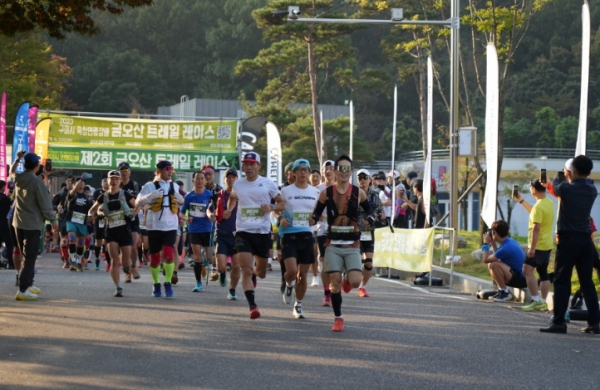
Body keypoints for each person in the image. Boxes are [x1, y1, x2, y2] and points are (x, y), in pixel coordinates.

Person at [310, 155, 375, 332]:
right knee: (334, 281)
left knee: (354, 282)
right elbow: (317, 212)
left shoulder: (357, 192)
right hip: (332, 244)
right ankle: (338, 318)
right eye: (341, 169)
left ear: (351, 172)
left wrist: (369, 217)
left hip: (352, 244)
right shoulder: (327, 193)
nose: (344, 172)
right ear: (336, 171)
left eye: (348, 169)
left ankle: (349, 281)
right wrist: (313, 219)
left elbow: (369, 209)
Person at [540, 155, 599, 334]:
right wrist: (568, 176)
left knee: (561, 281)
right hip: (586, 241)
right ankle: (595, 323)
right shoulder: (592, 190)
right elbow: (576, 184)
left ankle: (558, 322)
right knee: (587, 282)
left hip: (568, 240)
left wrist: (559, 178)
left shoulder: (565, 187)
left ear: (572, 171)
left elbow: (556, 187)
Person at [226, 152, 285, 319]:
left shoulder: (268, 183)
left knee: (261, 272)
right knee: (245, 269)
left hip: (262, 233)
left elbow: (282, 204)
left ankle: (254, 275)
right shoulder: (238, 184)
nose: (249, 167)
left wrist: (272, 207)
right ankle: (253, 306)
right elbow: (232, 197)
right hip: (243, 231)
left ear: (259, 165)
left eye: (252, 164)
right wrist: (230, 209)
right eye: (246, 164)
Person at [11, 152, 58, 300]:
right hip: (32, 224)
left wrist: (17, 158)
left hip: (18, 222)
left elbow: (12, 171)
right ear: (37, 166)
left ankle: (28, 284)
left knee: (26, 256)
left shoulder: (19, 177)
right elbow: (45, 204)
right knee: (30, 257)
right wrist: (53, 220)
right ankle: (23, 290)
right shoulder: (37, 182)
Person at [278, 159, 321, 319]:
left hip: (307, 236)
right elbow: (277, 210)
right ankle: (289, 284)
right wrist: (281, 218)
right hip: (289, 235)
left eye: (306, 170)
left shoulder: (315, 192)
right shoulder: (285, 191)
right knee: (291, 271)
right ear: (293, 173)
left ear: (309, 173)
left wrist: (315, 219)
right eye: (299, 169)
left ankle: (298, 305)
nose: (303, 172)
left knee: (303, 275)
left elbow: (319, 213)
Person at [135, 160, 184, 298]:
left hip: (171, 226)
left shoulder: (174, 186)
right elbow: (138, 201)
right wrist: (151, 196)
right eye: (167, 169)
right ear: (159, 171)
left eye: (171, 169)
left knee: (169, 255)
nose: (170, 171)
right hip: (154, 226)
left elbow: (182, 202)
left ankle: (167, 283)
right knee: (155, 258)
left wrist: (181, 199)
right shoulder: (150, 185)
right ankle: (156, 284)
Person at [88, 170, 136, 297]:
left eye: (116, 179)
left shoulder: (124, 194)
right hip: (111, 231)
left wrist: (131, 215)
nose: (114, 181)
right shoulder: (103, 196)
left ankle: (127, 268)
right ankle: (118, 287)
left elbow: (137, 205)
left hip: (124, 230)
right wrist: (99, 214)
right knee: (114, 259)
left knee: (125, 262)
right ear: (108, 181)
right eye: (112, 179)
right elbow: (93, 210)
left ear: (120, 181)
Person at [513, 178, 554, 311]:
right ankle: (542, 302)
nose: (530, 189)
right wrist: (521, 201)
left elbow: (536, 228)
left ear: (534, 190)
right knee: (543, 273)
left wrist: (532, 247)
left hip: (539, 245)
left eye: (530, 187)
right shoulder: (548, 202)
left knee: (526, 270)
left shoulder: (539, 206)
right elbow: (535, 213)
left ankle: (536, 300)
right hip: (547, 244)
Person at [180, 171, 217, 292]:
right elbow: (181, 212)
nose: (200, 181)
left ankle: (206, 264)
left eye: (202, 179)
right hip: (194, 229)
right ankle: (198, 283)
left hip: (207, 229)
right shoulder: (189, 196)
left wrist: (212, 215)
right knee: (197, 258)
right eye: (198, 179)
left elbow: (215, 209)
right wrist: (186, 218)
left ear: (205, 181)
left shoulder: (210, 195)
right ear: (193, 181)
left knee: (210, 258)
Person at [208, 168, 240, 300]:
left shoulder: (242, 195)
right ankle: (222, 274)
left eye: (234, 177)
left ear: (237, 179)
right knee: (221, 266)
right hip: (221, 233)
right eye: (229, 177)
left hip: (237, 234)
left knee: (237, 266)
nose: (231, 180)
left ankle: (232, 290)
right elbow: (209, 209)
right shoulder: (218, 195)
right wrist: (211, 216)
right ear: (224, 179)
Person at [356, 169, 386, 298]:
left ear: (369, 180)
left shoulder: (374, 195)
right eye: (360, 177)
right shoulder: (352, 194)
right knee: (355, 261)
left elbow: (380, 212)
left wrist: (382, 216)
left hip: (369, 232)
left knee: (368, 263)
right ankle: (347, 278)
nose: (362, 180)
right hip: (354, 231)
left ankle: (362, 287)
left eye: (365, 177)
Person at [482, 220, 527, 302]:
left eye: (492, 232)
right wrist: (493, 244)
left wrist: (485, 244)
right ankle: (502, 291)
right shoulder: (510, 241)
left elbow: (485, 259)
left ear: (494, 233)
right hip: (519, 276)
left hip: (521, 280)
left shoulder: (506, 247)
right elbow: (498, 258)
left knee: (493, 265)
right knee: (493, 264)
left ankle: (505, 293)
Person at [316, 160, 336, 306]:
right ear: (322, 172)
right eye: (326, 169)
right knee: (324, 261)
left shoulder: (342, 188)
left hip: (340, 231)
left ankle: (336, 286)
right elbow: (309, 207)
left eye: (331, 168)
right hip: (322, 230)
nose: (328, 171)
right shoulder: (316, 189)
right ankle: (327, 294)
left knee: (338, 263)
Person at [118, 162, 141, 282]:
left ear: (130, 172)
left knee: (133, 247)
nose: (124, 173)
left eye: (126, 170)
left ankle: (133, 267)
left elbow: (140, 203)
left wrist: (133, 215)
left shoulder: (135, 185)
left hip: (133, 219)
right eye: (121, 171)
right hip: (120, 219)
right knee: (124, 248)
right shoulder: (117, 185)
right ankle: (127, 273)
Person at [66, 177, 93, 271]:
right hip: (71, 221)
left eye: (82, 182)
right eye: (78, 182)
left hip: (82, 222)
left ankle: (78, 262)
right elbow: (73, 191)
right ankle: (73, 260)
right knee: (72, 238)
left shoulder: (87, 198)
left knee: (81, 243)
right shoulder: (72, 194)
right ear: (74, 184)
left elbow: (90, 213)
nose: (81, 183)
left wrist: (91, 229)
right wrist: (80, 179)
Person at [0, 180, 14, 270]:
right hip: (4, 224)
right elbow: (12, 205)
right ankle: (11, 264)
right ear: (2, 188)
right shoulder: (5, 198)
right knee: (9, 244)